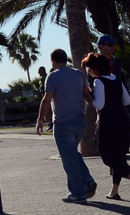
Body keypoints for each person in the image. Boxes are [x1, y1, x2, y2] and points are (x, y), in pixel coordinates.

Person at [36, 48, 97, 203]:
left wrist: (40, 120)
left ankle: (78, 193)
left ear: (53, 61)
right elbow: (87, 94)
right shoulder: (78, 74)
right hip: (79, 121)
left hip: (63, 123)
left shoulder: (53, 76)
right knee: (73, 154)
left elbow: (46, 99)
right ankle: (87, 181)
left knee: (68, 160)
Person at [82, 52, 130, 201]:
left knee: (107, 157)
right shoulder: (116, 78)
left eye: (89, 69)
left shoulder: (99, 82)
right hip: (122, 120)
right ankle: (114, 191)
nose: (89, 72)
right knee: (119, 156)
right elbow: (127, 100)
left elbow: (100, 105)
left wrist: (89, 98)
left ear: (94, 69)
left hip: (108, 123)